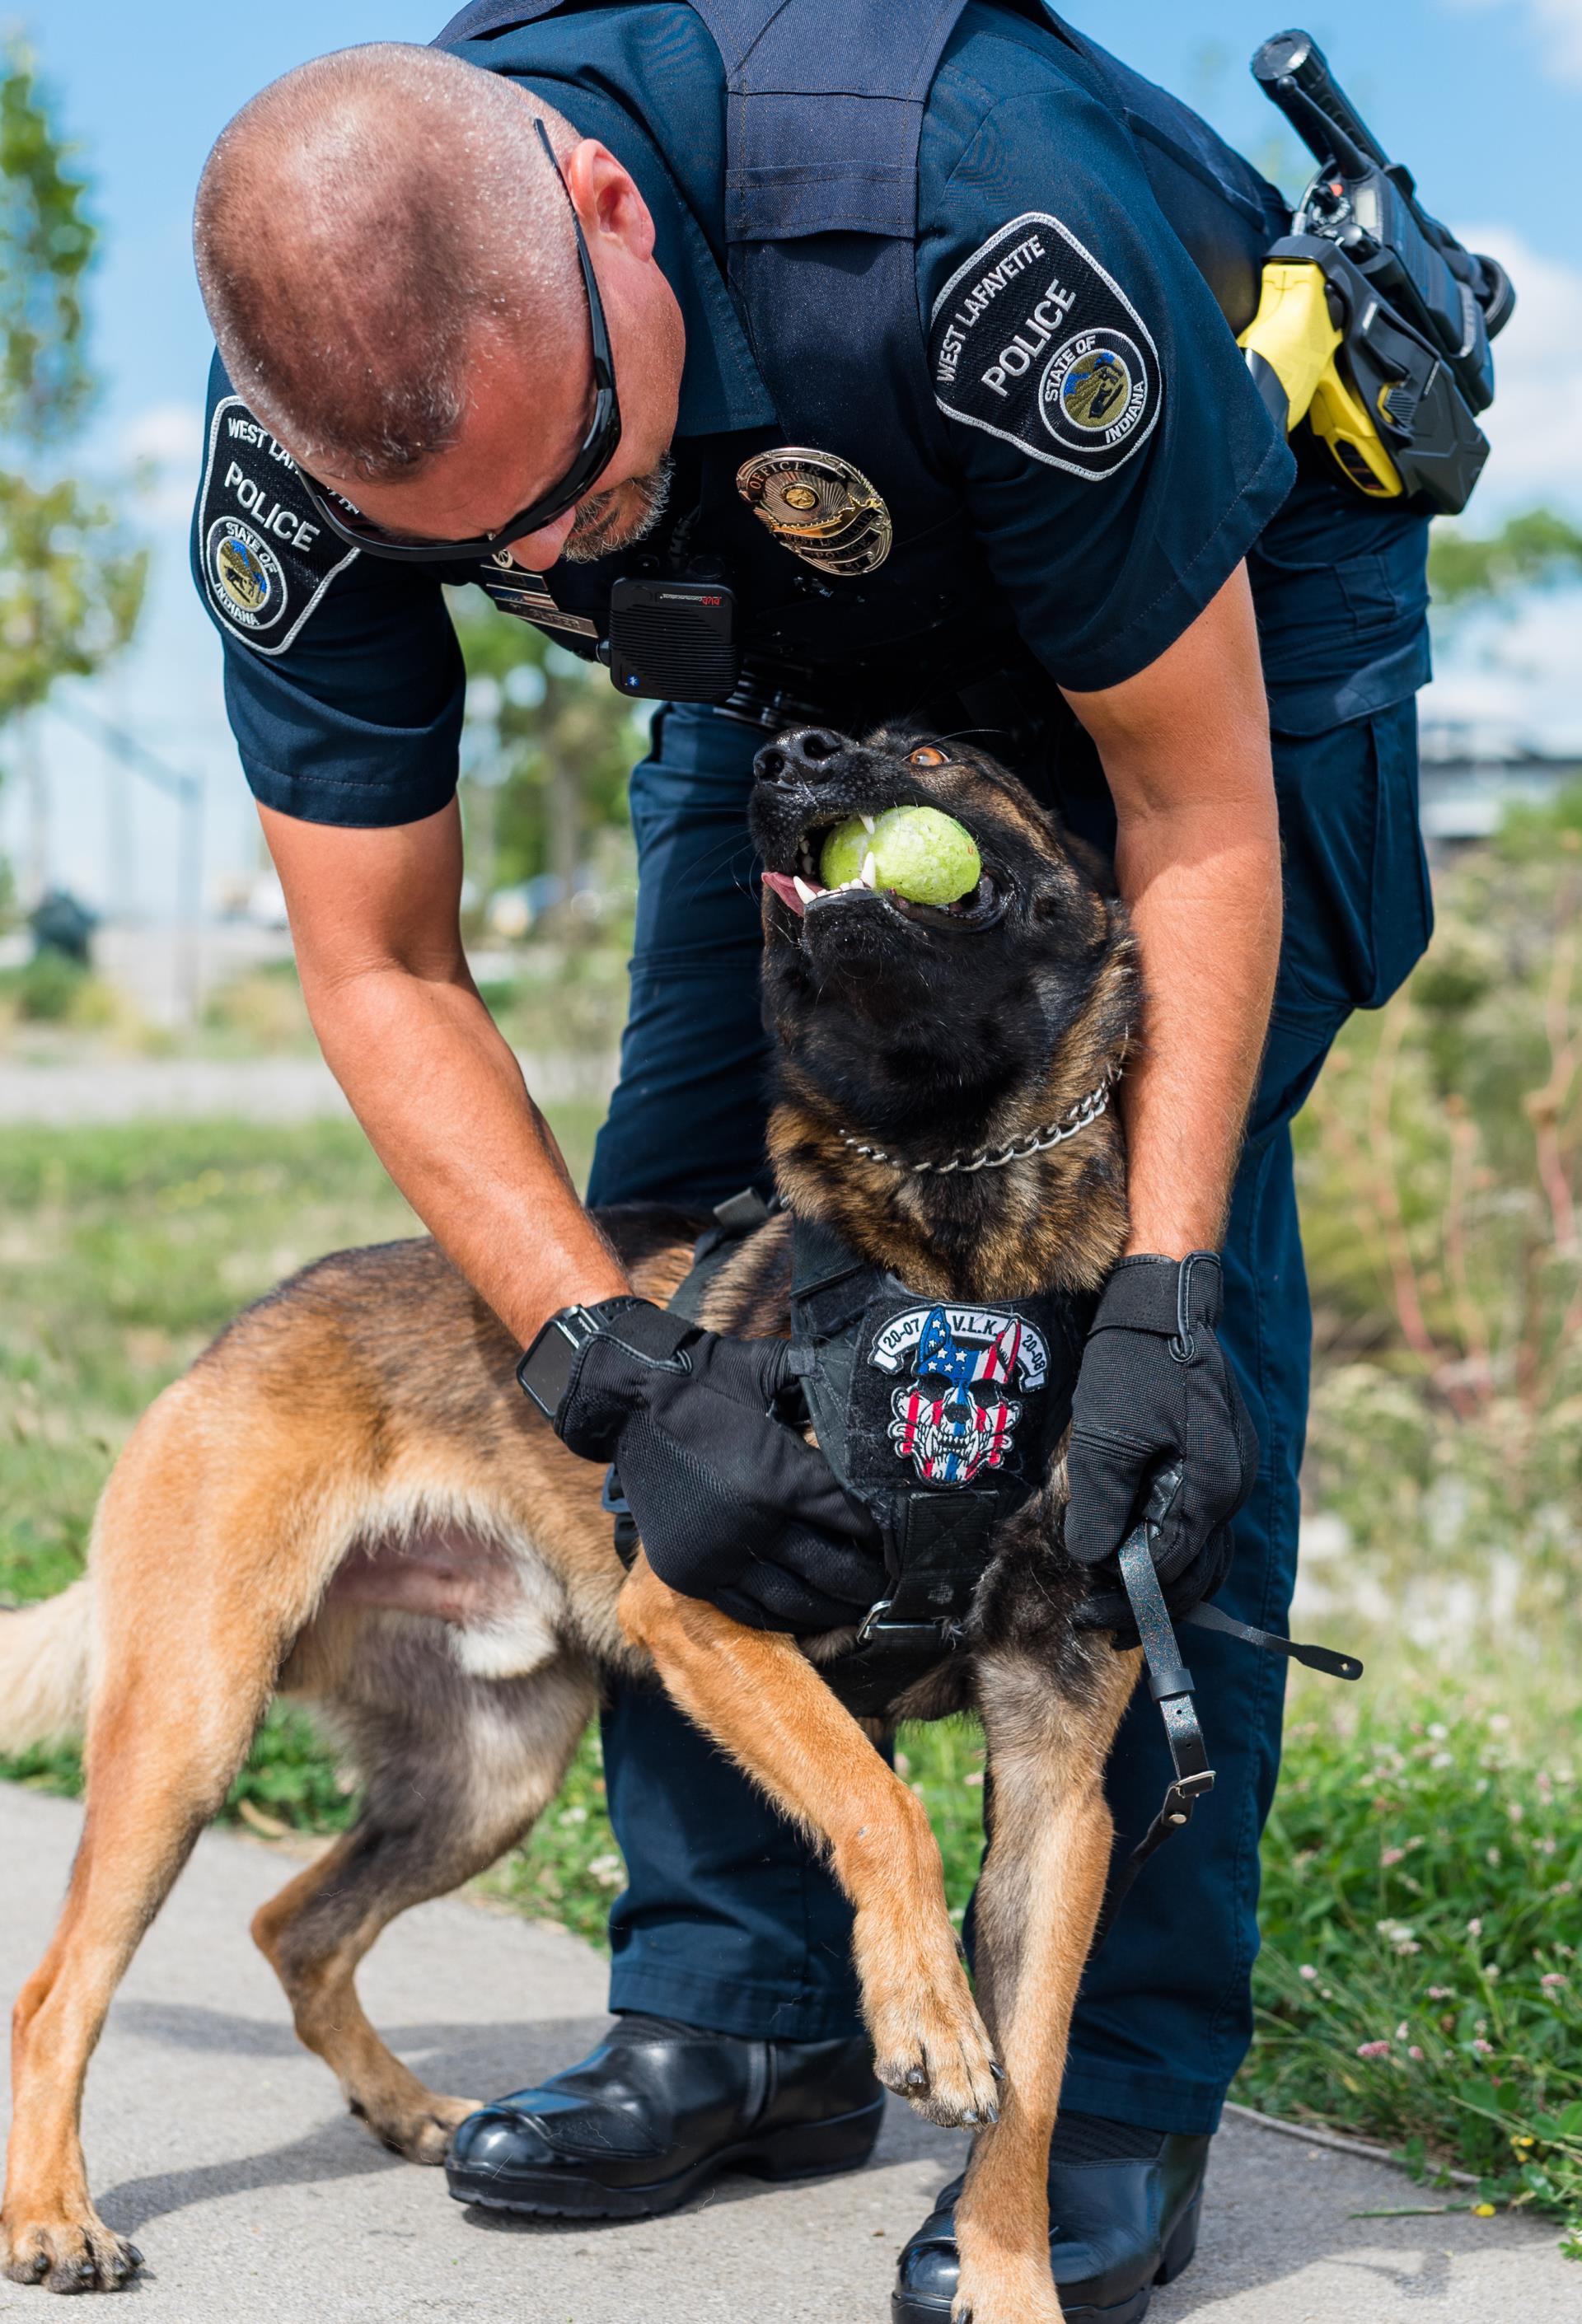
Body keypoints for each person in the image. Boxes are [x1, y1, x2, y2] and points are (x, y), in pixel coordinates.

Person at [188, 7, 1434, 2316]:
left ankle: (1103, 2103)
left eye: (576, 469)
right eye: (486, 553)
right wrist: (605, 1364)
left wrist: (1156, 1297)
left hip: (1196, 656)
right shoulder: (307, 436)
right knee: (684, 1310)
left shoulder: (977, 228)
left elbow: (1193, 812)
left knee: (1135, 1384)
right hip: (793, 693)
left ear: (607, 213)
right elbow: (380, 962)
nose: (555, 550)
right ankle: (747, 2015)